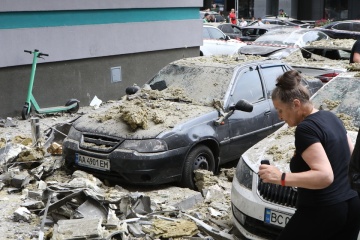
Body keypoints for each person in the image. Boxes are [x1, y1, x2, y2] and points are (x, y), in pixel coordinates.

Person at [258, 70, 360, 240]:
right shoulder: (331, 117)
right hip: (353, 205)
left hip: (324, 210)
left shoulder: (306, 129)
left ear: (296, 104)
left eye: (280, 110)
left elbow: (325, 176)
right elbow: (351, 157)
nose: (280, 116)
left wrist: (281, 177)